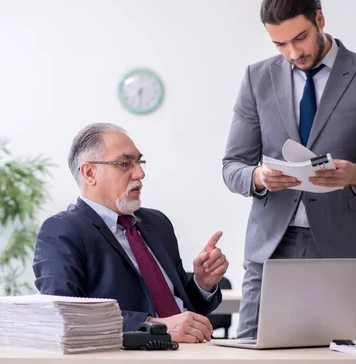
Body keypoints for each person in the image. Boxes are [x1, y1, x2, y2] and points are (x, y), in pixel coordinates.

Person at [222, 0, 356, 338]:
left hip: (343, 246)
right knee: (251, 347)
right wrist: (259, 178)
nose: (292, 52)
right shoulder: (256, 77)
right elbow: (232, 166)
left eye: (300, 38)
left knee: (325, 352)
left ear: (320, 19)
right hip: (271, 246)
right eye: (279, 44)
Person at [33, 123, 229, 343]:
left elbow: (183, 310)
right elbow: (63, 313)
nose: (140, 173)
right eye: (125, 164)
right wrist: (154, 327)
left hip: (196, 352)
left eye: (139, 162)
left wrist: (202, 284)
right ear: (89, 173)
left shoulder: (158, 223)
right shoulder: (62, 230)